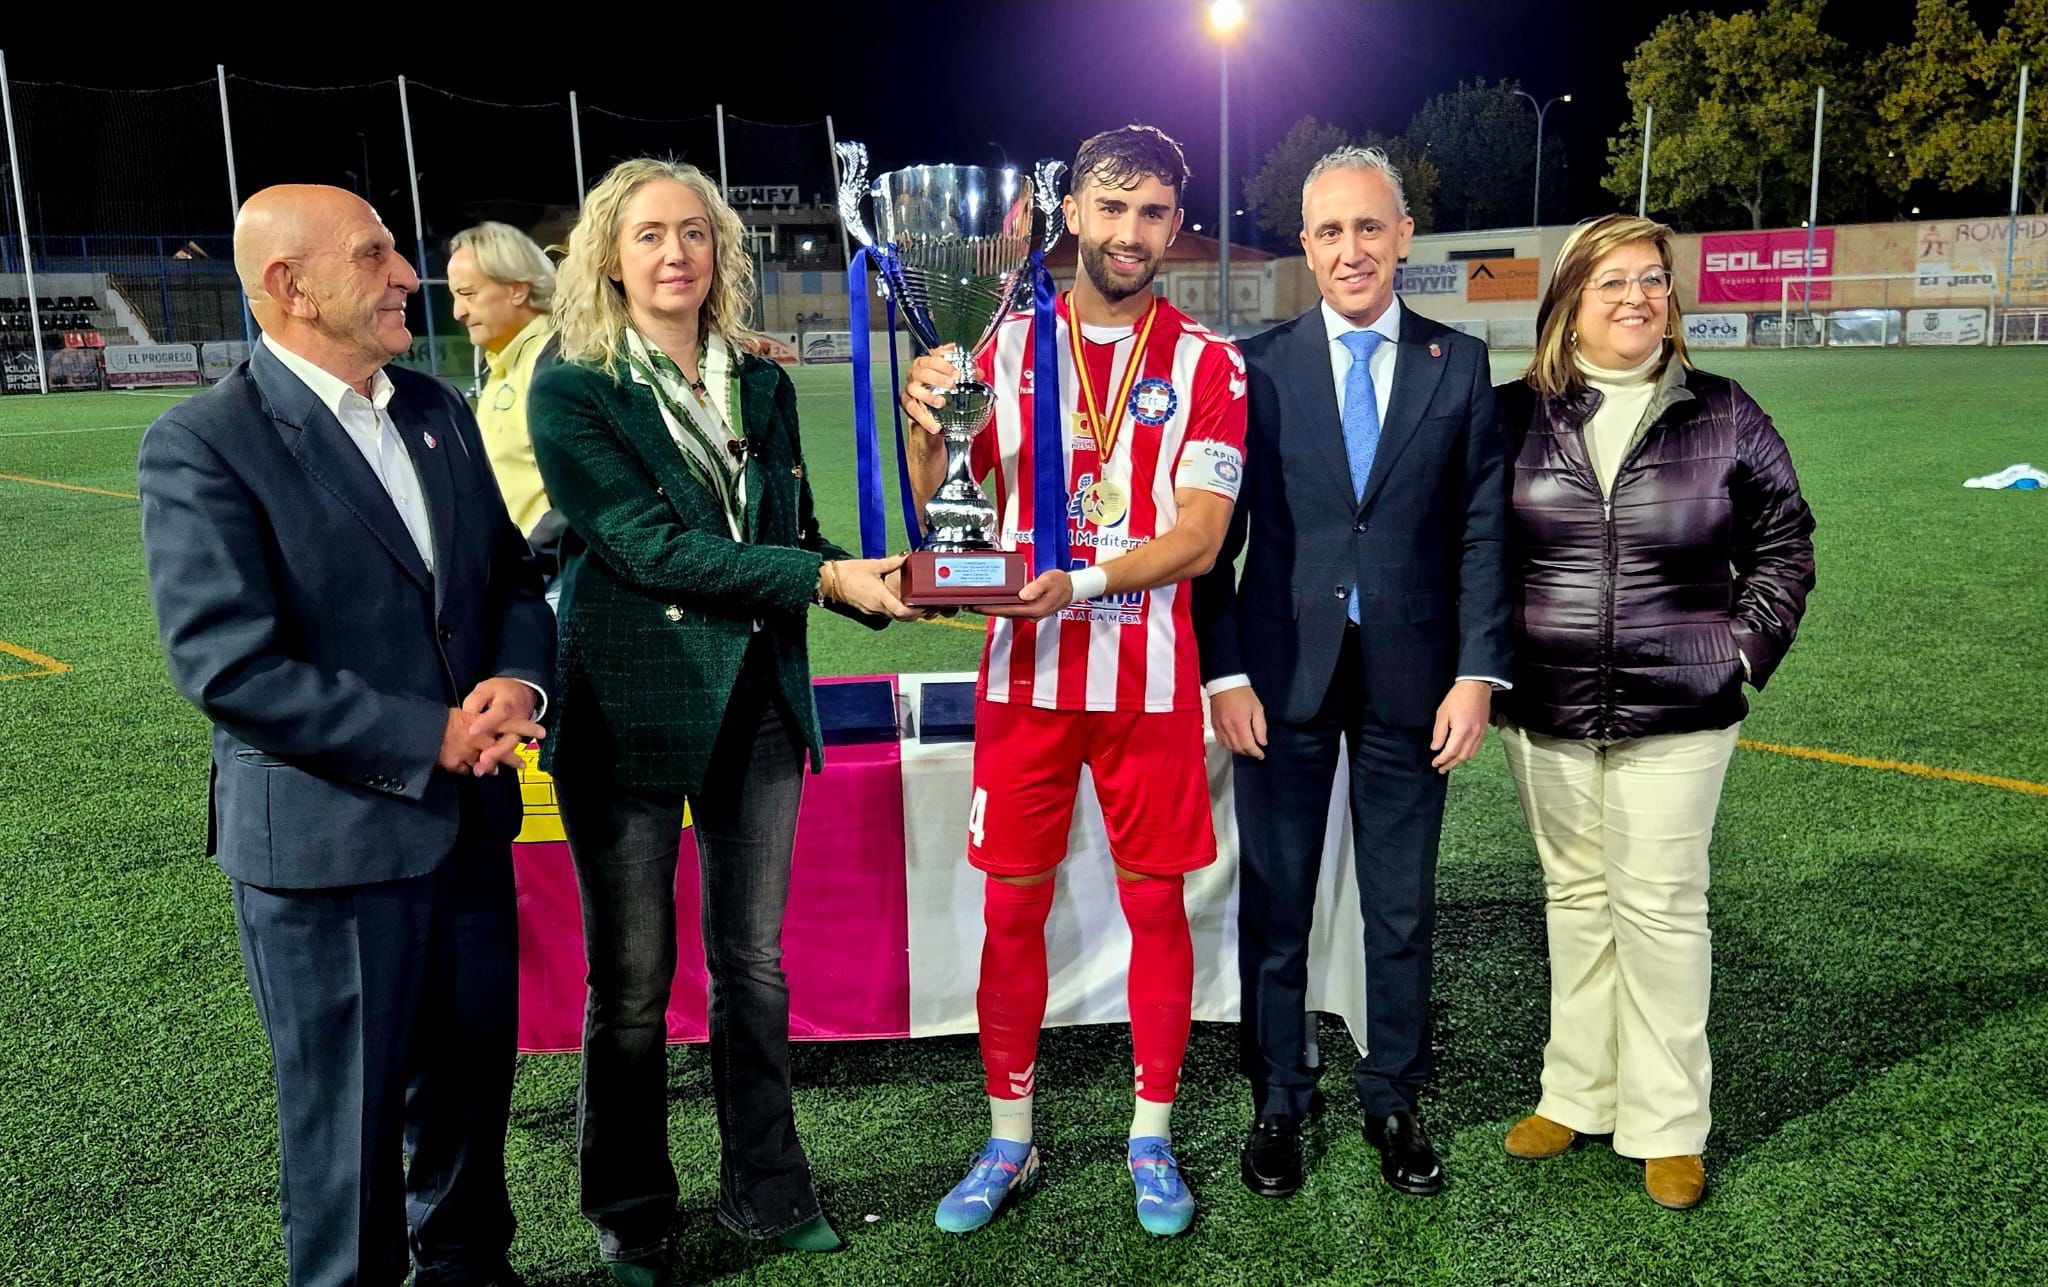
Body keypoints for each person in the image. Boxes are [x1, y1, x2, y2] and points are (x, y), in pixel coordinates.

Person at [137, 184, 554, 1287]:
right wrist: (433, 736)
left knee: (469, 1097)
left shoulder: (432, 405)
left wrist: (515, 682)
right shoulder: (202, 443)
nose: (407, 277)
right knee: (347, 1137)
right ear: (289, 285)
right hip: (328, 848)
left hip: (464, 830)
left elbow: (506, 578)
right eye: (375, 257)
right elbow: (229, 665)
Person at [527, 157, 915, 1285]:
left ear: (720, 253)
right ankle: (634, 1211)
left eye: (694, 234)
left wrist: (880, 574)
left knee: (754, 969)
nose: (674, 254)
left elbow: (787, 526)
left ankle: (767, 1185)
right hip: (630, 707)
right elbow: (648, 551)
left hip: (754, 708)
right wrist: (820, 581)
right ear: (610, 253)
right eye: (649, 235)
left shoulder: (761, 379)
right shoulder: (575, 385)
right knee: (633, 988)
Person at [899, 124, 1248, 1238]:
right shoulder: (997, 344)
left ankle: (1148, 1134)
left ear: (1172, 225)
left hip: (1147, 684)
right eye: (1111, 208)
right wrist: (924, 427)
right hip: (1024, 681)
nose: (1129, 232)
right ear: (1071, 217)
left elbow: (1197, 538)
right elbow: (942, 507)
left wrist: (1082, 577)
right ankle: (1009, 1137)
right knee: (1012, 910)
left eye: (1151, 212)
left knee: (1158, 905)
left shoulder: (1207, 363)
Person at [1191, 145, 1511, 1201]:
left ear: (1404, 236)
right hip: (1279, 676)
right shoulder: (1252, 365)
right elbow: (1213, 540)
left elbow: (1478, 535)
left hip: (1415, 682)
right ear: (1305, 244)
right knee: (1276, 899)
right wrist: (1222, 673)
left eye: (1368, 227)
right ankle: (1279, 1095)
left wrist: (1475, 673)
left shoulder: (1456, 364)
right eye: (1328, 231)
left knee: (1400, 905)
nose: (1349, 249)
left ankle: (1392, 1096)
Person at [1492, 213, 1815, 1210]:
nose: (1637, 298)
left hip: (1682, 708)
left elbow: (1783, 543)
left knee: (1663, 908)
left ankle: (1668, 1124)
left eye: (1653, 281)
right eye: (1613, 283)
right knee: (1575, 899)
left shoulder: (1721, 410)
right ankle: (1575, 1093)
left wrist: (1738, 650)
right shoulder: (1508, 415)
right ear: (1568, 304)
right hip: (1542, 702)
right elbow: (1471, 555)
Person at [447, 221, 564, 588]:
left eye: (468, 293)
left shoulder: (556, 363)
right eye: (454, 296)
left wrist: (529, 568)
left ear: (516, 289)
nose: (458, 312)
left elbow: (584, 492)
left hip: (552, 582)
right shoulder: (500, 367)